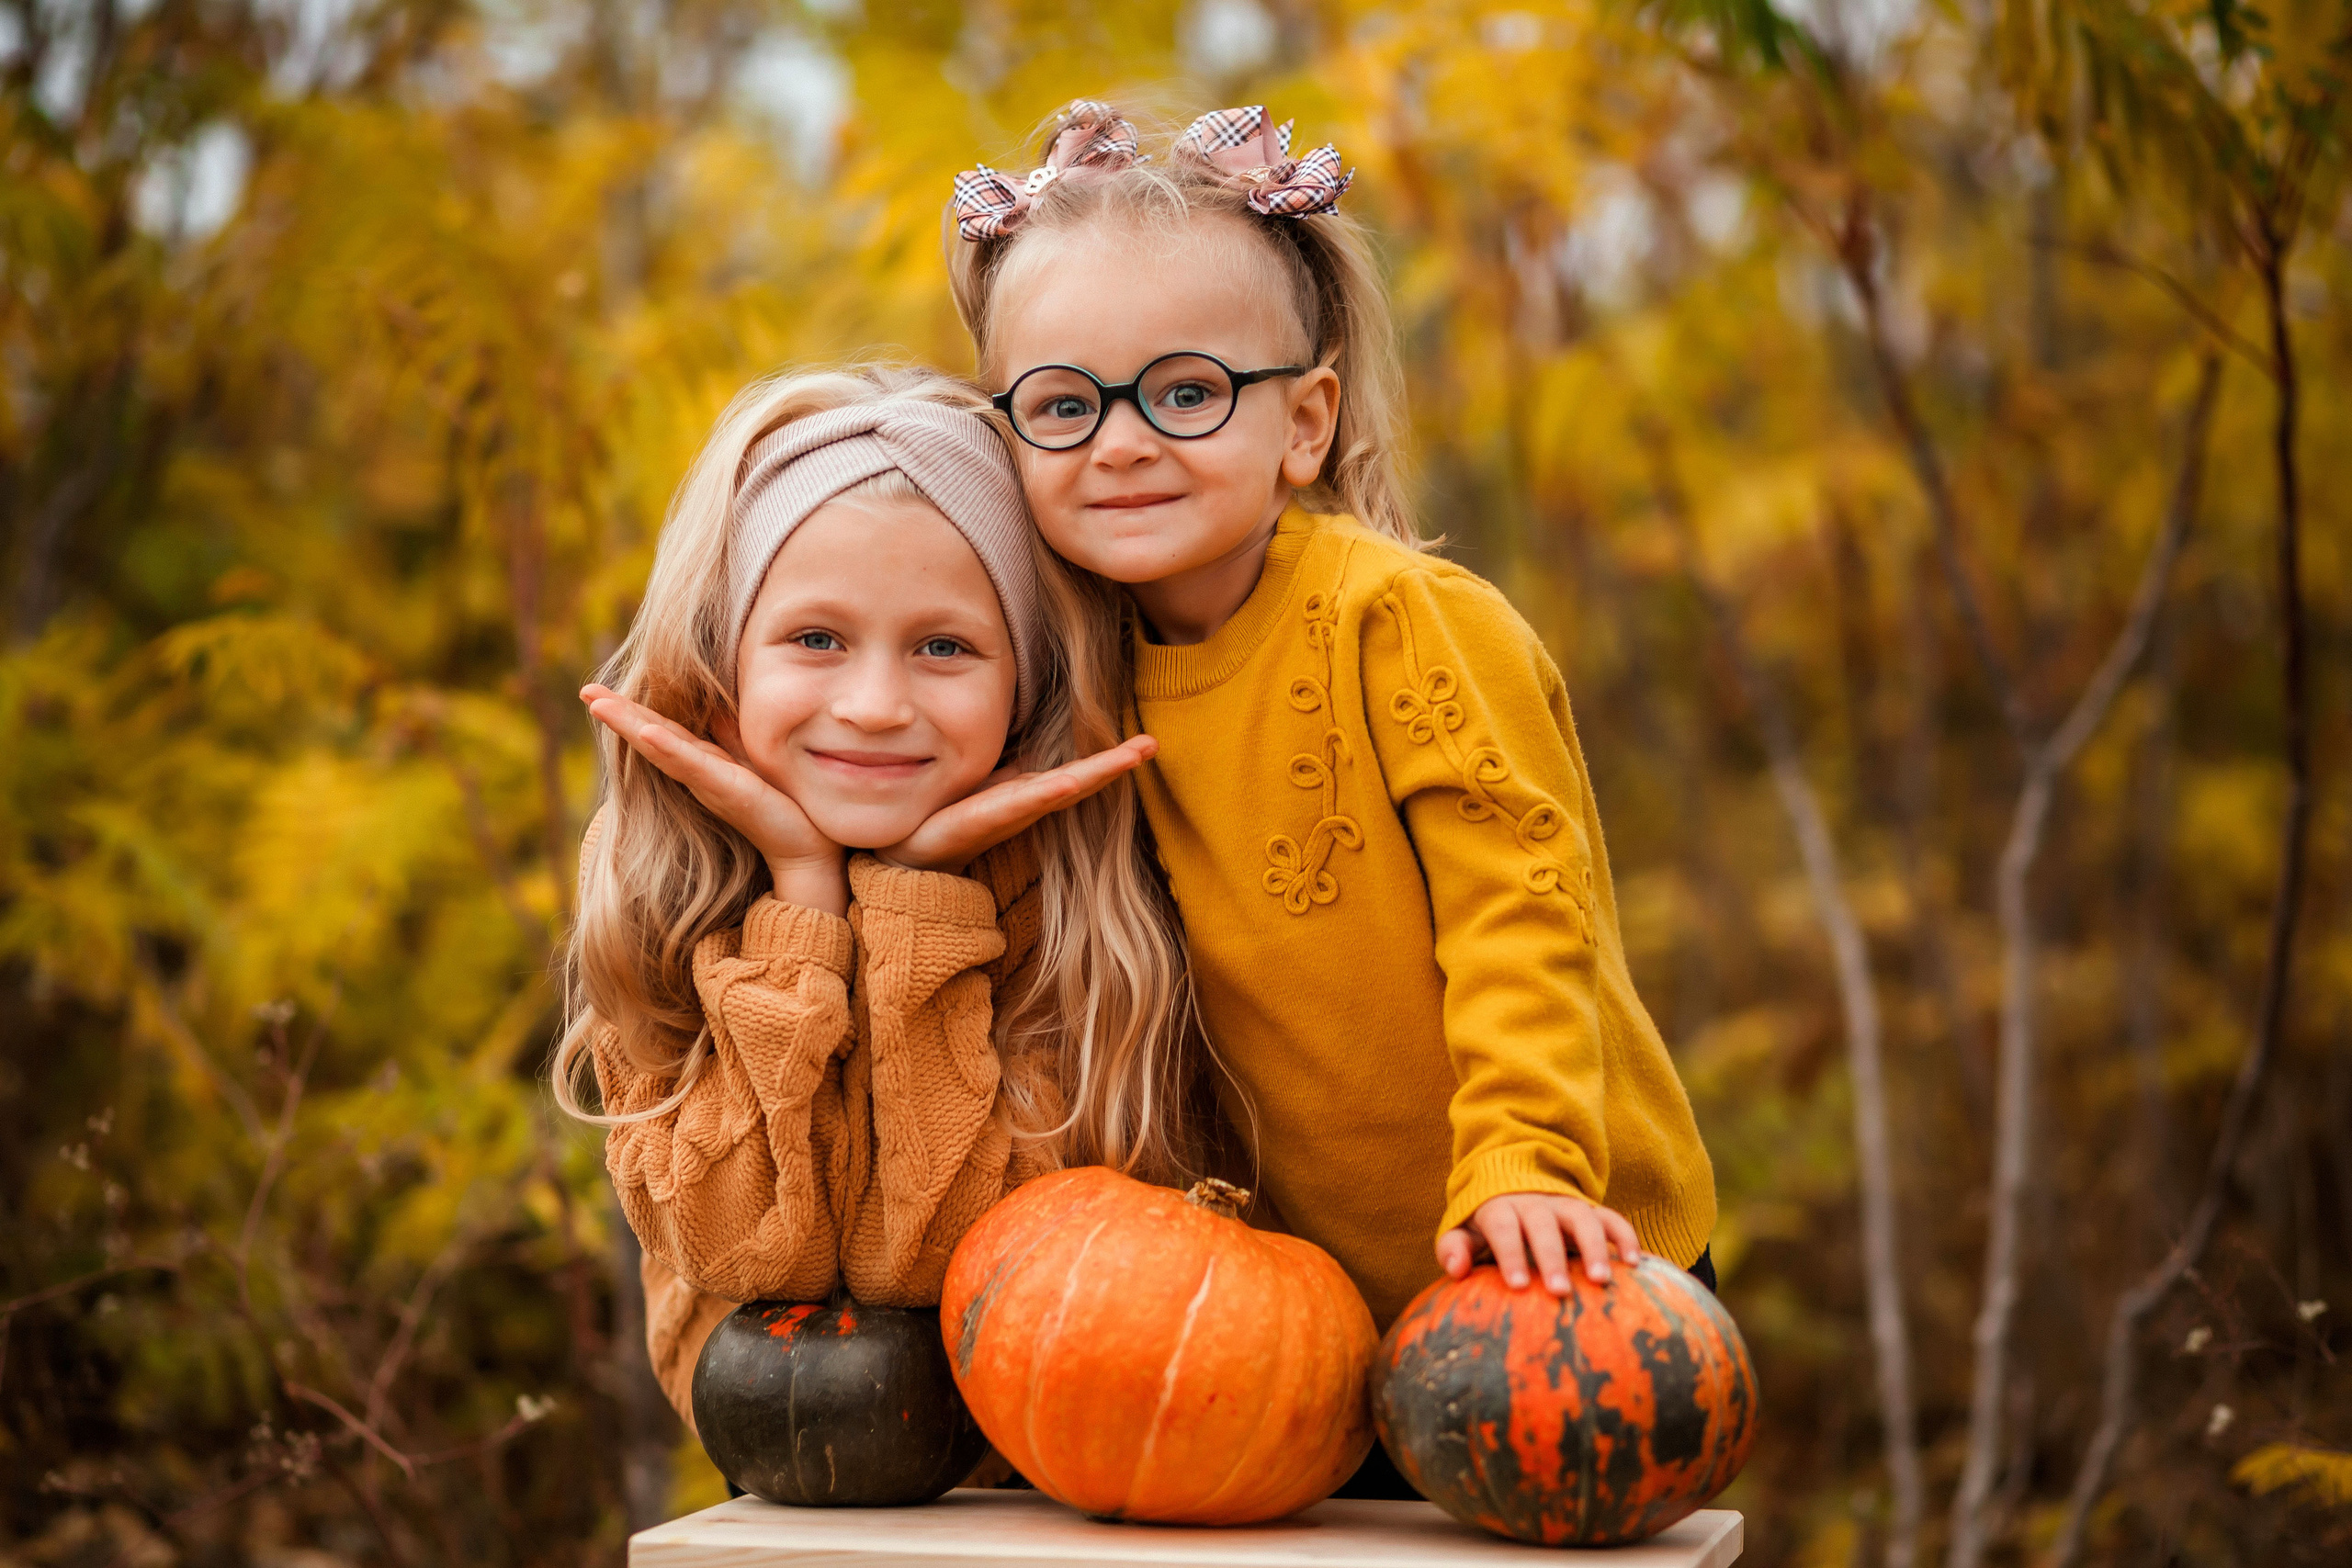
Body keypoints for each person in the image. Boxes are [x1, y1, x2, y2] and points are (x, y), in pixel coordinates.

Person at [944, 101, 1720, 1333]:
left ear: (1303, 420)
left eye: (1186, 392)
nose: (1124, 443)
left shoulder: (1402, 621)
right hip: (1333, 1305)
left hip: (1560, 1249)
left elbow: (1523, 912)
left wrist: (1526, 1155)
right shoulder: (1075, 673)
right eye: (1063, 404)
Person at [551, 366, 1185, 1429]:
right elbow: (748, 1260)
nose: (877, 705)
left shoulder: (1069, 888)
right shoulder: (664, 868)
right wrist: (799, 898)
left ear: (1025, 678)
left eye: (945, 648)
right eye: (816, 640)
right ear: (726, 657)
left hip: (1039, 1473)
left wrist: (922, 908)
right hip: (792, 1478)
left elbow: (928, 1271)